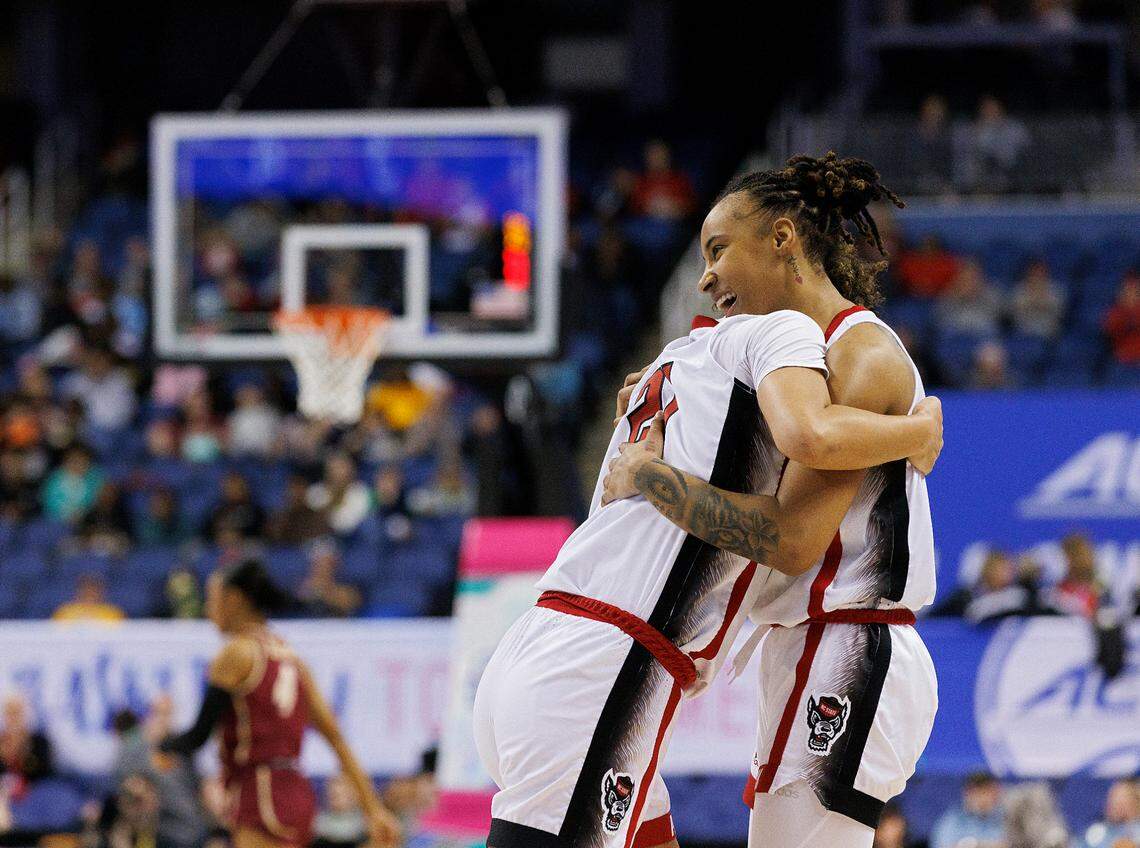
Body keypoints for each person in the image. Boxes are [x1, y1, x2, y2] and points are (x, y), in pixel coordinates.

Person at [474, 155, 944, 848]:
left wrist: (917, 430)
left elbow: (791, 533)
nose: (706, 276)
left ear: (782, 239)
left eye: (719, 249)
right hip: (796, 641)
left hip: (852, 638)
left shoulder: (858, 352)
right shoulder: (760, 357)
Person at [159, 560, 400, 848]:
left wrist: (162, 749)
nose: (209, 613)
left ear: (233, 600)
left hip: (259, 792)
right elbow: (335, 737)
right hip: (295, 792)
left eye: (212, 600)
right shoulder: (292, 659)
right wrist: (374, 808)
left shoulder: (236, 653)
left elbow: (198, 735)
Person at [929, 772, 1005, 848]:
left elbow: (1011, 843)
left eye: (987, 792)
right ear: (967, 793)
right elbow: (941, 844)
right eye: (977, 792)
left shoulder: (1007, 818)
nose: (982, 798)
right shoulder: (952, 820)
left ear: (997, 792)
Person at [0, 694, 53, 800]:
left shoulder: (39, 742)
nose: (13, 717)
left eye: (17, 712)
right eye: (9, 713)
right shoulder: (2, 741)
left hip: (34, 798)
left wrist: (23, 750)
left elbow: (44, 774)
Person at [1081, 779, 1140, 848]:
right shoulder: (1097, 831)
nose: (1113, 805)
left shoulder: (1136, 831)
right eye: (1112, 799)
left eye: (1120, 802)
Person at [53, 573, 126, 622]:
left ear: (101, 592)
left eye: (94, 590)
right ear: (79, 591)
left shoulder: (113, 613)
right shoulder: (64, 612)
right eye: (85, 589)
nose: (89, 593)